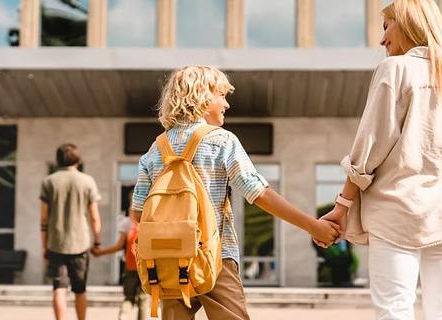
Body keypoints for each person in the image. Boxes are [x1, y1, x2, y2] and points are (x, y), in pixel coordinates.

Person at [319, 1, 442, 320]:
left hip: (397, 211)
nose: (382, 39)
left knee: (394, 311)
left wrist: (342, 207)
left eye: (386, 26)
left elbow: (369, 148)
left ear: (409, 24)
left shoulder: (395, 70)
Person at [130, 65, 340, 320]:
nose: (227, 104)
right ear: (201, 95)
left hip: (168, 260)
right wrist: (312, 226)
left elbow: (139, 213)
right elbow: (259, 193)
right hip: (216, 256)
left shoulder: (155, 149)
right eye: (221, 95)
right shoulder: (222, 140)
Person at [40, 143, 102, 320]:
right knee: (80, 289)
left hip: (56, 242)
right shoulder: (87, 181)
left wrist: (44, 245)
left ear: (58, 159)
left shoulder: (49, 181)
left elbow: (44, 219)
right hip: (80, 243)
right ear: (78, 159)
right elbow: (95, 217)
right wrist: (97, 242)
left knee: (59, 287)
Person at [92, 186, 148, 320]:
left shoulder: (126, 223)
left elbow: (118, 247)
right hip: (147, 267)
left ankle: (124, 315)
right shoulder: (150, 223)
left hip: (129, 266)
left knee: (128, 298)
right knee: (143, 299)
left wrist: (100, 252)